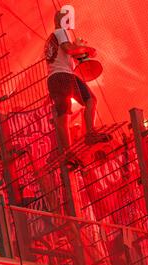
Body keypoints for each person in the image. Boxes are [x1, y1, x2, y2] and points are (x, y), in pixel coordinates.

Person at [45, 10, 111, 162]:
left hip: (53, 79)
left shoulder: (51, 39)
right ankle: (90, 133)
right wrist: (88, 49)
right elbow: (69, 50)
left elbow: (67, 53)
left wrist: (78, 49)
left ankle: (68, 154)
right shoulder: (61, 31)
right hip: (64, 75)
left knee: (63, 117)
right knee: (91, 100)